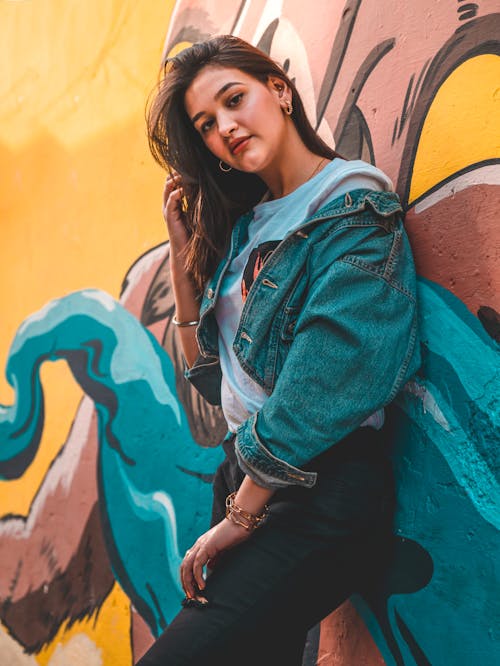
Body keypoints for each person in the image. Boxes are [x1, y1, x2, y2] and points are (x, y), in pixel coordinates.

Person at [137, 34, 420, 665]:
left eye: (234, 100)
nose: (225, 129)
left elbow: (328, 374)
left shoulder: (351, 203)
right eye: (206, 124)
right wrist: (184, 259)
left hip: (319, 489)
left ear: (281, 91)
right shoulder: (251, 226)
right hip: (250, 480)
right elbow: (215, 388)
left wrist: (243, 513)